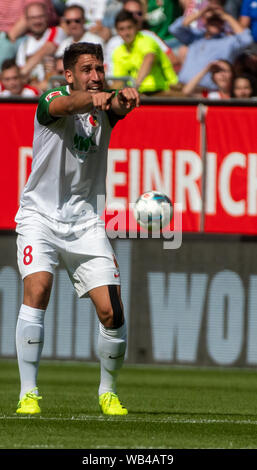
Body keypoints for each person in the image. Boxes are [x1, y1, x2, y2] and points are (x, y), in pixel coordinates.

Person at [14, 41, 140, 416]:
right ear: (69, 75)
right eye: (87, 69)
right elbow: (67, 105)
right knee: (37, 290)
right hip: (39, 217)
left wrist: (127, 97)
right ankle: (28, 393)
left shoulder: (105, 105)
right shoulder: (51, 100)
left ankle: (108, 391)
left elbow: (118, 105)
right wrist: (95, 99)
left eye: (99, 68)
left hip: (87, 223)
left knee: (112, 314)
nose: (96, 76)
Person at [169, 3, 253, 90]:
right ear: (205, 22)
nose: (215, 23)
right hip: (183, 87)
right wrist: (202, 12)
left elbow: (247, 40)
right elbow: (174, 28)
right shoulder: (195, 38)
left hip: (207, 92)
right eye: (211, 20)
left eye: (218, 20)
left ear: (223, 22)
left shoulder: (228, 42)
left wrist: (226, 16)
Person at [105, 0, 180, 76]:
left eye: (139, 13)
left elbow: (173, 61)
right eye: (130, 14)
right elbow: (107, 70)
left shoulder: (150, 36)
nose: (135, 17)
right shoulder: (113, 43)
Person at [112, 10, 178, 94]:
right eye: (122, 29)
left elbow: (149, 58)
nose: (126, 33)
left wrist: (135, 87)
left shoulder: (146, 40)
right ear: (117, 31)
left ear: (136, 26)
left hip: (164, 90)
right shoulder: (118, 52)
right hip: (140, 93)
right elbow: (119, 82)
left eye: (129, 27)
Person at [16, 2, 66, 84]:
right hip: (32, 89)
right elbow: (21, 68)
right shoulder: (24, 44)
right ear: (27, 20)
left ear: (47, 17)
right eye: (33, 18)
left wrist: (22, 74)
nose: (37, 21)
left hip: (53, 86)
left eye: (40, 17)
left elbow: (46, 49)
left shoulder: (56, 31)